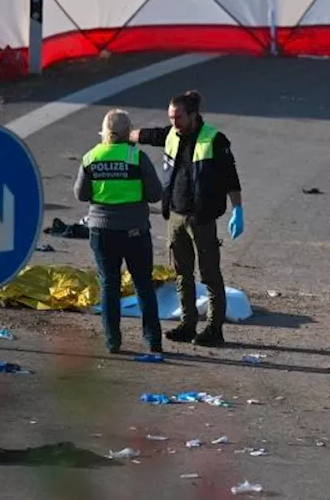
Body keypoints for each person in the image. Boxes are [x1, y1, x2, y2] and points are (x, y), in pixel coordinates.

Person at [130, 90, 243, 348]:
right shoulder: (171, 134)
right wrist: (123, 134)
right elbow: (148, 135)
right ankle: (187, 323)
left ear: (193, 115)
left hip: (202, 220)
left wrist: (238, 209)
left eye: (178, 117)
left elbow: (231, 178)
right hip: (176, 217)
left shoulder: (215, 140)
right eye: (171, 117)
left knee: (210, 275)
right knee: (182, 274)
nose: (174, 123)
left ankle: (214, 329)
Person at [74, 109, 166, 355]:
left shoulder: (91, 157)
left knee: (110, 285)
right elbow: (156, 193)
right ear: (129, 132)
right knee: (143, 284)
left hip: (102, 231)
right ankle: (153, 340)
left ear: (104, 132)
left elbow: (81, 194)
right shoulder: (137, 157)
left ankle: (113, 340)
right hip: (135, 230)